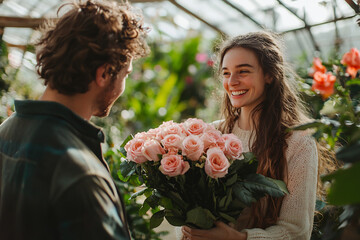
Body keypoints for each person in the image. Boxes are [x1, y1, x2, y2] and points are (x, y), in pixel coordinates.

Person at [0, 0, 149, 239]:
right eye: (126, 74)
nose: (124, 86)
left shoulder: (5, 131)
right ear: (104, 73)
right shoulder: (81, 176)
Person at [180, 31, 337, 239]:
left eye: (243, 71)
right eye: (226, 73)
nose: (232, 81)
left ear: (269, 75)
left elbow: (296, 232)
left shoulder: (298, 141)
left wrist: (237, 238)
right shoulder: (209, 134)